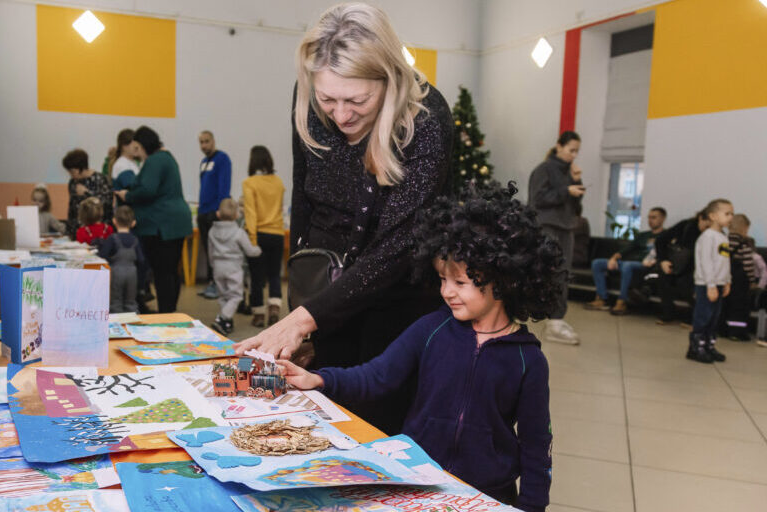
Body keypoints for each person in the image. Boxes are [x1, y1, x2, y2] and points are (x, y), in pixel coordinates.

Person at [236, 3, 453, 436]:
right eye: (327, 99)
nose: (340, 115)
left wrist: (303, 319)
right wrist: (303, 307)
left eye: (357, 100)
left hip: (396, 307)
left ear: (389, 79)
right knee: (320, 425)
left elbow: (398, 247)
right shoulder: (308, 99)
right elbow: (306, 207)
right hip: (327, 301)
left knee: (377, 430)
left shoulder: (428, 120)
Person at [278, 182, 557, 512]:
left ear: (503, 279)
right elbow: (376, 376)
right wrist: (319, 379)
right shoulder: (431, 329)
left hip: (487, 496)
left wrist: (532, 506)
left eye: (460, 282)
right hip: (419, 481)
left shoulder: (528, 360)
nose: (446, 292)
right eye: (442, 279)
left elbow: (536, 446)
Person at [114, 126, 193, 313]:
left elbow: (148, 190)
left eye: (138, 148)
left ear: (143, 145)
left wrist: (127, 196)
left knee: (162, 273)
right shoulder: (167, 157)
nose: (138, 153)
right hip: (175, 222)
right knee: (171, 271)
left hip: (161, 225)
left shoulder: (154, 161)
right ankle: (170, 312)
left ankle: (165, 315)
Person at [528, 131, 584, 345]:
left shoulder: (570, 172)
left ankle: (556, 320)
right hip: (548, 227)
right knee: (551, 272)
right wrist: (566, 190)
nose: (574, 155)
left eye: (577, 151)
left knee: (563, 273)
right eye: (571, 150)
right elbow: (537, 199)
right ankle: (553, 320)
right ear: (559, 146)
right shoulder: (544, 169)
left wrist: (576, 183)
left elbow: (576, 206)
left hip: (566, 227)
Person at [585, 207, 666, 315]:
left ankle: (622, 301)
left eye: (654, 217)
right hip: (630, 263)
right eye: (649, 217)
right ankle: (602, 299)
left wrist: (656, 261)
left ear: (662, 219)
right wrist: (613, 258)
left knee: (627, 265)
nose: (650, 220)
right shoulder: (643, 235)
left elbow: (667, 253)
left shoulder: (666, 235)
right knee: (597, 263)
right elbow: (626, 249)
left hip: (646, 265)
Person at [241, 146, 286, 327]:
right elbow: (280, 208)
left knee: (256, 277)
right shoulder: (278, 182)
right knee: (274, 274)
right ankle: (274, 309)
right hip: (277, 234)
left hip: (258, 234)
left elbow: (250, 213)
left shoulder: (249, 183)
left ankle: (258, 315)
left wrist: (252, 239)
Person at [208, 198, 263, 335]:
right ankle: (222, 319)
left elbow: (210, 251)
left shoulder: (211, 231)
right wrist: (258, 250)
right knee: (236, 296)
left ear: (218, 214)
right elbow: (250, 251)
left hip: (218, 267)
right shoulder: (239, 233)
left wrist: (213, 265)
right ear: (237, 215)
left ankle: (226, 323)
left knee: (223, 296)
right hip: (234, 268)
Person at [688, 199, 733, 363]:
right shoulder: (707, 237)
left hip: (719, 283)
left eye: (732, 214)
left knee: (714, 317)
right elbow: (705, 262)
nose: (730, 217)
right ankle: (695, 348)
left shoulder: (723, 236)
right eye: (727, 213)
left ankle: (708, 345)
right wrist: (711, 285)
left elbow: (725, 261)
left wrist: (727, 281)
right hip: (707, 284)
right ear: (713, 216)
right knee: (703, 316)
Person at [654, 210, 711, 325]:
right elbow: (660, 240)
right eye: (706, 225)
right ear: (700, 218)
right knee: (664, 278)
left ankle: (694, 318)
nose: (707, 229)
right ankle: (668, 313)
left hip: (695, 269)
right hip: (678, 264)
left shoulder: (713, 234)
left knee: (686, 285)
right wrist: (663, 260)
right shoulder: (685, 226)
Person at [196, 131, 233, 299]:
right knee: (208, 251)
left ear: (213, 141)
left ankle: (220, 285)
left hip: (215, 213)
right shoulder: (204, 162)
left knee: (218, 251)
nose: (204, 145)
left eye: (206, 141)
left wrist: (220, 210)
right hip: (203, 212)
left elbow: (224, 186)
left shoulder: (222, 159)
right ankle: (212, 282)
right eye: (201, 142)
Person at [98, 205, 146, 314]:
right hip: (132, 273)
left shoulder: (112, 238)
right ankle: (133, 320)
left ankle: (117, 322)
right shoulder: (135, 239)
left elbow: (103, 255)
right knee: (131, 302)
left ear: (114, 221)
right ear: (133, 223)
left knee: (116, 301)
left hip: (116, 272)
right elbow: (141, 260)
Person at [721, 214, 757, 341]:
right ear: (744, 227)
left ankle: (722, 329)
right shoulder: (744, 244)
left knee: (725, 305)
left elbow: (721, 260)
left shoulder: (723, 240)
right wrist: (752, 280)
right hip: (740, 281)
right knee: (739, 307)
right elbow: (748, 264)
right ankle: (737, 332)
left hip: (725, 277)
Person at [63, 148, 89, 236]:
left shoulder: (100, 180)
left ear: (80, 168)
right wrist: (68, 231)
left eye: (72, 171)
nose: (71, 175)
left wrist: (86, 194)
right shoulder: (72, 182)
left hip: (92, 232)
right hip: (74, 231)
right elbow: (72, 208)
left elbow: (103, 205)